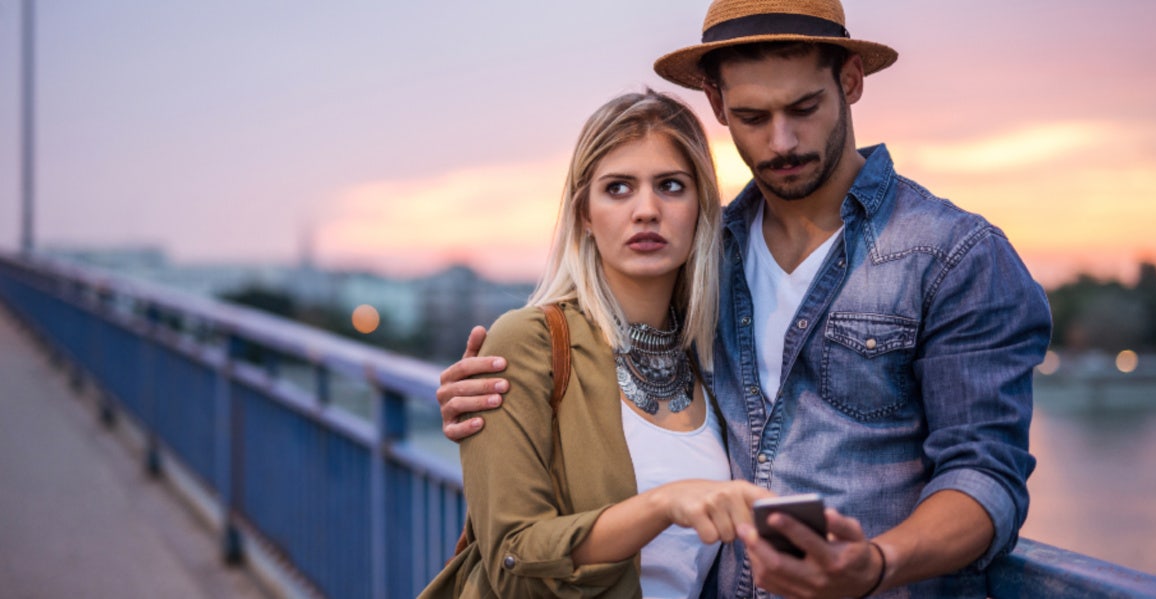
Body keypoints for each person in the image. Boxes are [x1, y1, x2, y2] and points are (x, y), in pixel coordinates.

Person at [436, 1, 1053, 597]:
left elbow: (985, 475)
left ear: (852, 80)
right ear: (717, 104)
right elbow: (602, 348)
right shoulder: (706, 258)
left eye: (804, 108)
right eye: (753, 117)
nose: (782, 141)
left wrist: (872, 564)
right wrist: (500, 399)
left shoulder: (952, 255)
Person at [420, 90, 773, 599]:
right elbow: (513, 558)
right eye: (618, 188)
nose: (646, 210)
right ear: (584, 212)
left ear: (701, 207)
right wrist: (664, 504)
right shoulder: (529, 342)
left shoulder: (715, 356)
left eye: (672, 186)